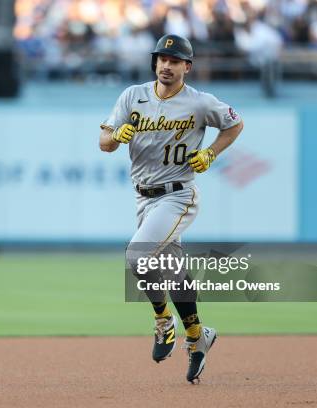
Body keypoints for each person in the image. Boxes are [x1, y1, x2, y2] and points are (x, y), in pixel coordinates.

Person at [99, 34, 244, 383]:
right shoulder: (132, 96)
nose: (166, 65)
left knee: (138, 256)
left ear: (187, 67)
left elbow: (234, 123)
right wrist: (116, 137)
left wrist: (210, 153)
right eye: (162, 59)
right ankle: (197, 338)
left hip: (179, 195)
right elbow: (103, 142)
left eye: (174, 60)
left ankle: (164, 320)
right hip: (144, 198)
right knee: (175, 274)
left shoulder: (198, 102)